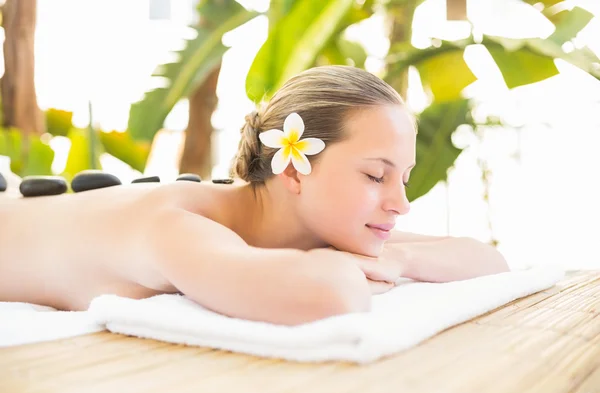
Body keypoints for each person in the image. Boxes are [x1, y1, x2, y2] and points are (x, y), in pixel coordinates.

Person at [0, 65, 509, 326]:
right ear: (293, 170)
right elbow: (334, 295)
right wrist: (356, 265)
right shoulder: (175, 227)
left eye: (405, 177)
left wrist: (395, 260)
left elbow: (486, 259)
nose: (401, 203)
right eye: (376, 177)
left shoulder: (306, 221)